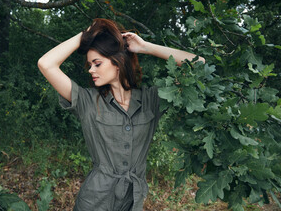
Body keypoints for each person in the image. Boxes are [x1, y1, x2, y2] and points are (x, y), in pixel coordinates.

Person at [37, 18, 205, 211]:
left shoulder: (151, 100)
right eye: (90, 64)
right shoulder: (87, 101)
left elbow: (198, 64)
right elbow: (46, 64)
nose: (91, 70)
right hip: (95, 201)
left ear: (117, 63)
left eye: (97, 64)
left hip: (133, 201)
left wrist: (146, 47)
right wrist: (86, 35)